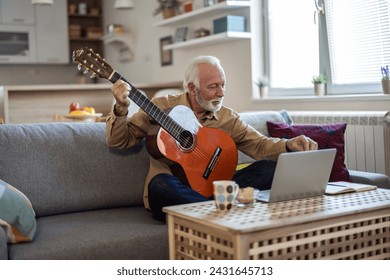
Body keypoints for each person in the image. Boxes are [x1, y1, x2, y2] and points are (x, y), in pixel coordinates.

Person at [106, 55, 318, 222]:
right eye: (213, 86)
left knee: (268, 169)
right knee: (160, 186)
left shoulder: (227, 117)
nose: (221, 92)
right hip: (177, 192)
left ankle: (209, 212)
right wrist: (121, 108)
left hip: (217, 189)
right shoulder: (160, 107)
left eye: (223, 85)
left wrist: (289, 144)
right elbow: (118, 142)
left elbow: (261, 145)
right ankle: (223, 214)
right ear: (192, 88)